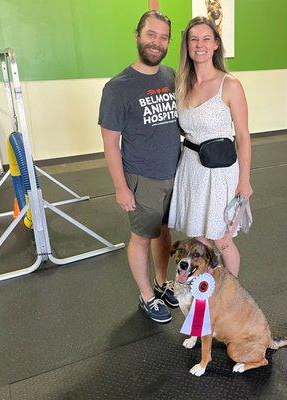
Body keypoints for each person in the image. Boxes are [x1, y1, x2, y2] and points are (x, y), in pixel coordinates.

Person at [98, 11, 181, 324]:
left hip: (174, 173)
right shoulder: (117, 87)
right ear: (138, 36)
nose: (156, 42)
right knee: (141, 237)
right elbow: (110, 143)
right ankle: (147, 297)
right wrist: (121, 187)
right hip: (141, 177)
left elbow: (176, 123)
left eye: (162, 37)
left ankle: (161, 284)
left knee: (164, 231)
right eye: (151, 34)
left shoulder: (170, 75)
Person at [168, 16, 253, 277]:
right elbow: (185, 128)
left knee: (221, 240)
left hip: (220, 173)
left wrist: (244, 180)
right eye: (193, 39)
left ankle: (232, 293)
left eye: (206, 38)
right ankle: (205, 295)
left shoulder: (230, 85)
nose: (200, 44)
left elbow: (243, 135)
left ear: (216, 44)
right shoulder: (182, 85)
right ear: (187, 46)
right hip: (192, 169)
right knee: (199, 238)